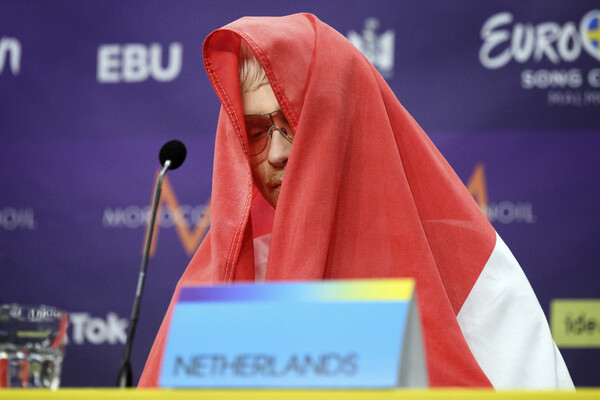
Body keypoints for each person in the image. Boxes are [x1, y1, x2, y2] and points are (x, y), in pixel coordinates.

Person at [139, 13, 573, 389]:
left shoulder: (468, 271)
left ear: (347, 123)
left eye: (296, 123)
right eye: (254, 133)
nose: (277, 152)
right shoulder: (221, 280)